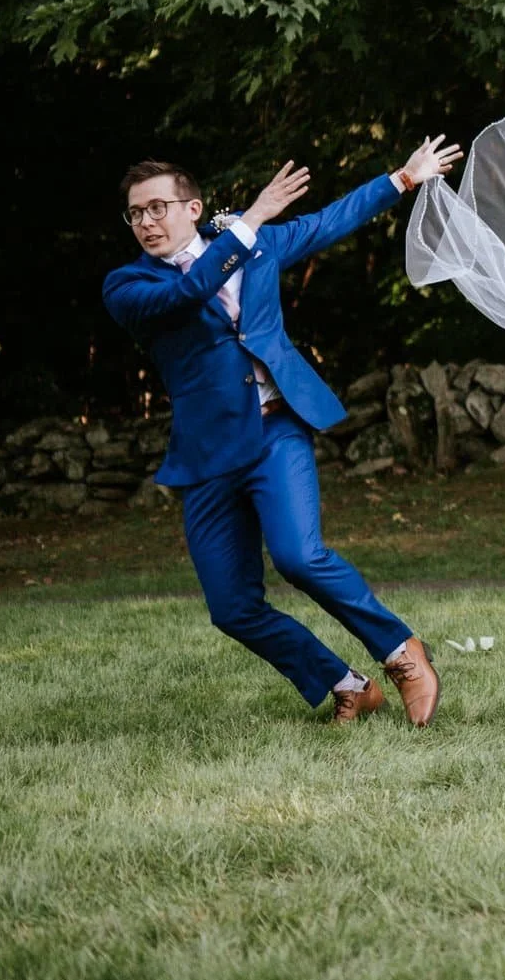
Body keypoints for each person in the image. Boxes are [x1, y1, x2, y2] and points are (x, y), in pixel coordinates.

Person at [103, 137, 461, 724]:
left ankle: (403, 656)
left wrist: (403, 178)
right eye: (136, 213)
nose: (146, 222)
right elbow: (187, 293)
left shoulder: (257, 245)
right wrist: (251, 222)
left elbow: (327, 222)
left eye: (157, 208)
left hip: (275, 433)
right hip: (208, 453)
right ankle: (347, 684)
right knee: (232, 607)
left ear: (192, 209)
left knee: (299, 555)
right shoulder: (127, 286)